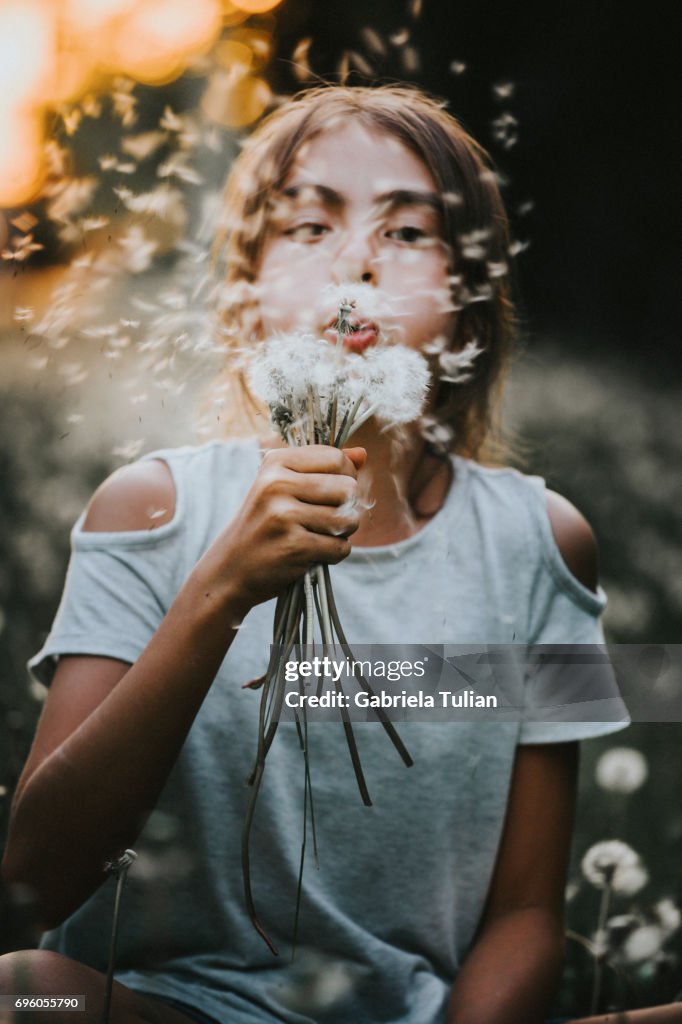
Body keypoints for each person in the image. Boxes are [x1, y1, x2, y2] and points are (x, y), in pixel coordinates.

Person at [1, 85, 679, 1024]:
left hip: (418, 1016)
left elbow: (525, 910)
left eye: (407, 233)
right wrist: (220, 592)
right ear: (246, 292)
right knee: (22, 999)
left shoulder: (541, 542)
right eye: (310, 226)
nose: (356, 261)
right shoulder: (151, 509)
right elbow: (36, 874)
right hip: (170, 1009)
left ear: (468, 308)